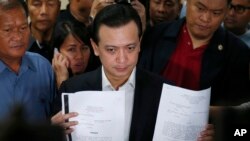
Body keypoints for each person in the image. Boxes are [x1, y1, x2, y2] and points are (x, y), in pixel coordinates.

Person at [51, 4, 214, 141]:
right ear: (95, 47)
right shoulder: (72, 90)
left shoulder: (165, 92)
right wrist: (51, 133)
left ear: (140, 43)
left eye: (130, 48)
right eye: (111, 50)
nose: (122, 59)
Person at [139, 0, 250, 138]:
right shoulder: (154, 36)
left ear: (227, 11)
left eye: (216, 13)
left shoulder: (238, 54)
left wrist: (221, 134)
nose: (205, 19)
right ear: (187, 4)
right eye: (200, 8)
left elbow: (242, 126)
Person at [0, 0, 56, 122]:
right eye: (8, 30)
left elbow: (54, 118)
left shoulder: (43, 67)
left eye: (23, 28)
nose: (18, 37)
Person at [52, 21, 100, 89]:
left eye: (84, 48)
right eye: (71, 49)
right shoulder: (46, 80)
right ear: (56, 53)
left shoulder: (98, 79)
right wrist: (62, 79)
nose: (79, 56)